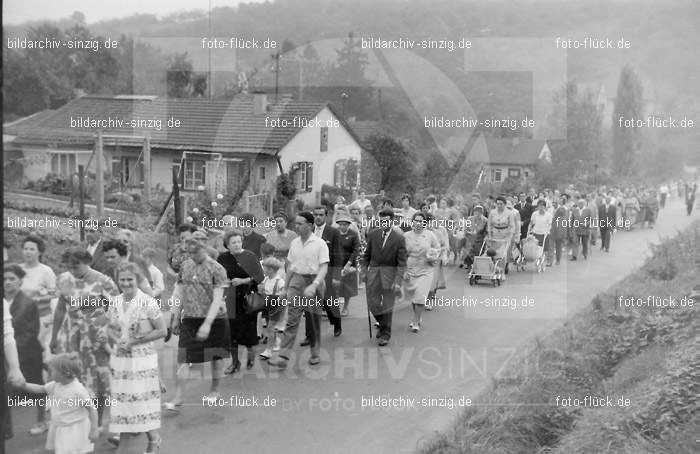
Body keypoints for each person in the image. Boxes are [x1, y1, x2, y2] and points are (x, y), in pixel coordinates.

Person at [49, 248, 119, 435]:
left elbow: (116, 309)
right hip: (71, 335)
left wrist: (102, 328)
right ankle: (77, 420)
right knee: (73, 377)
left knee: (97, 379)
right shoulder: (63, 279)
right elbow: (60, 310)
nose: (72, 270)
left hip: (95, 336)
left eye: (76, 266)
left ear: (87, 261)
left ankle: (97, 422)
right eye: (69, 266)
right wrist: (54, 336)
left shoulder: (103, 281)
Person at [107, 262, 165, 454]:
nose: (126, 283)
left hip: (142, 360)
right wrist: (118, 341)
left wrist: (134, 341)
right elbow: (111, 328)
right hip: (121, 361)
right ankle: (128, 446)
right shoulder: (114, 302)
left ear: (137, 279)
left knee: (140, 402)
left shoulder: (147, 301)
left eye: (129, 279)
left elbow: (162, 331)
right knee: (124, 404)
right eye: (122, 279)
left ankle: (153, 440)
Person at [166, 231, 229, 409]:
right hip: (190, 319)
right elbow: (178, 292)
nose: (193, 256)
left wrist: (207, 324)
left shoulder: (217, 268)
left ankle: (215, 390)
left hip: (214, 319)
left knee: (216, 357)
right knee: (183, 357)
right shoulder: (186, 266)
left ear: (204, 248)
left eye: (196, 253)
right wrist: (175, 316)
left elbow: (218, 299)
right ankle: (178, 396)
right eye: (190, 253)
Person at [268, 211, 329, 369]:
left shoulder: (320, 243)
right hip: (297, 281)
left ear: (310, 225)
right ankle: (283, 356)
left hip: (314, 281)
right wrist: (285, 288)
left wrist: (314, 285)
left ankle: (315, 353)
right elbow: (290, 267)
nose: (297, 226)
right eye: (296, 224)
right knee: (292, 320)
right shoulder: (295, 243)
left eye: (300, 224)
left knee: (313, 320)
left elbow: (324, 267)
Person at [23, 353, 99, 454]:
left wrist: (94, 429)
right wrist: (23, 385)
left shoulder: (78, 390)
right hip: (59, 427)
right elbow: (41, 389)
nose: (50, 372)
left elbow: (92, 409)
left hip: (74, 430)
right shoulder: (56, 385)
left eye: (53, 370)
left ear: (65, 372)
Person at [5, 264, 47, 435]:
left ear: (20, 281)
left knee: (35, 388)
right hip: (8, 352)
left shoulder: (27, 303)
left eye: (12, 279)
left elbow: (30, 332)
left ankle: (41, 420)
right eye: (4, 279)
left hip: (28, 352)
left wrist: (10, 350)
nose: (7, 282)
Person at [217, 230, 265, 373]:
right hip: (230, 298)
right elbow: (218, 275)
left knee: (248, 331)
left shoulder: (250, 256)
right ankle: (235, 362)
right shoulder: (223, 258)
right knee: (231, 332)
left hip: (247, 298)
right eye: (234, 242)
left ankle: (251, 357)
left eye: (239, 241)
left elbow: (260, 276)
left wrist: (243, 280)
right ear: (227, 245)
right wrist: (223, 282)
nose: (237, 245)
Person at [359, 208, 406, 346]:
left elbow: (402, 263)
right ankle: (382, 322)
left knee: (387, 306)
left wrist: (398, 282)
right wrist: (363, 271)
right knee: (372, 302)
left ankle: (385, 334)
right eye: (381, 221)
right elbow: (366, 256)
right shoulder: (373, 235)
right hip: (373, 275)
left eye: (385, 221)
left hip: (390, 277)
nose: (383, 224)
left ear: (391, 221)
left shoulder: (399, 238)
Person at [309, 205, 343, 337]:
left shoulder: (333, 232)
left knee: (330, 301)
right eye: (315, 214)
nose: (318, 217)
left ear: (326, 216)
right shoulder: (309, 230)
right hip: (311, 273)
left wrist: (336, 276)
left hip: (328, 272)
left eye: (321, 215)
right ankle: (310, 334)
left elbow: (338, 255)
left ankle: (337, 323)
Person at [403, 212, 439, 333]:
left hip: (426, 269)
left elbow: (437, 248)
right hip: (410, 269)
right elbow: (401, 254)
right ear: (412, 222)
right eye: (416, 220)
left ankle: (416, 321)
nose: (418, 223)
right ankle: (417, 316)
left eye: (421, 221)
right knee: (414, 297)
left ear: (424, 223)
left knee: (420, 296)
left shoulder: (430, 235)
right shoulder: (406, 236)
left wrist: (433, 256)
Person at [258, 257, 286, 360]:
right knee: (271, 328)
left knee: (270, 327)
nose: (263, 271)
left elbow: (284, 292)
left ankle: (268, 350)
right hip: (267, 306)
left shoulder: (279, 281)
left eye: (264, 268)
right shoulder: (266, 279)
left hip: (275, 307)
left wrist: (281, 297)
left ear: (271, 270)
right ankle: (276, 342)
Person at [335, 211, 361, 317]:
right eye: (340, 224)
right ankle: (335, 307)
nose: (342, 226)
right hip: (337, 264)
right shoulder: (335, 233)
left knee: (347, 288)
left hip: (349, 264)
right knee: (335, 286)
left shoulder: (353, 235)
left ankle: (345, 307)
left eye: (344, 224)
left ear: (348, 225)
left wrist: (349, 264)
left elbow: (356, 250)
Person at [461, 205, 488, 269]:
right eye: (476, 211)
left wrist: (485, 237)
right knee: (467, 246)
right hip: (470, 238)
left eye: (479, 212)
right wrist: (467, 233)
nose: (477, 213)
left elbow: (487, 231)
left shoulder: (485, 220)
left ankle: (477, 265)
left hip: (480, 239)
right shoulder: (470, 219)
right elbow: (465, 229)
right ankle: (469, 264)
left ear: (482, 213)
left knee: (478, 250)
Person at [550, 196, 569, 265]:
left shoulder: (564, 209)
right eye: (559, 200)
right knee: (551, 245)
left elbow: (565, 220)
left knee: (558, 246)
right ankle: (551, 260)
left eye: (561, 200)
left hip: (560, 229)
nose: (560, 201)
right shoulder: (554, 208)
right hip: (553, 228)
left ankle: (558, 260)